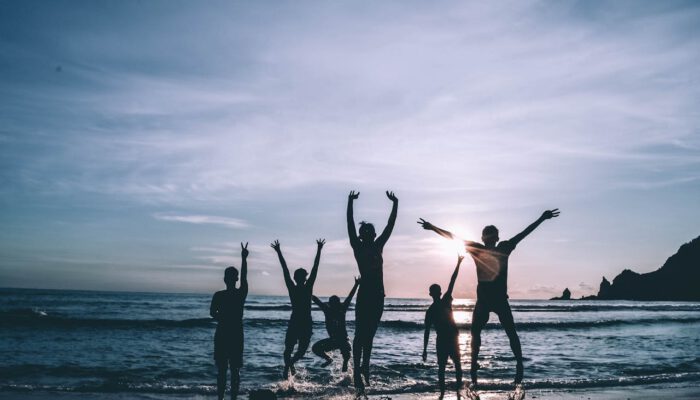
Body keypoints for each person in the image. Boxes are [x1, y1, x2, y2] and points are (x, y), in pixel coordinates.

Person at [418, 209, 560, 389]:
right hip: (484, 302)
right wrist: (432, 228)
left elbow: (524, 233)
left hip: (499, 300)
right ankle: (475, 368)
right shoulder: (483, 248)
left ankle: (517, 364)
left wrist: (541, 218)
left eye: (491, 235)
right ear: (486, 238)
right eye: (488, 235)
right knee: (476, 332)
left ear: (494, 238)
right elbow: (453, 236)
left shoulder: (502, 247)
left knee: (510, 332)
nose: (490, 238)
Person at [346, 190, 398, 388]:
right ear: (361, 236)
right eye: (364, 233)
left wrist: (395, 203)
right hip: (366, 294)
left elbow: (390, 225)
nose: (367, 235)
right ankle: (357, 371)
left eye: (370, 233)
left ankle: (364, 367)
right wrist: (350, 202)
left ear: (374, 235)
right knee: (360, 334)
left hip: (378, 296)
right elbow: (350, 225)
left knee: (370, 334)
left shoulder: (378, 246)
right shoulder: (358, 247)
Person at [271, 238, 324, 378]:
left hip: (299, 321)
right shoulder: (304, 288)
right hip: (302, 321)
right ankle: (289, 366)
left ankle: (289, 365)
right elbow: (315, 268)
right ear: (301, 278)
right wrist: (319, 250)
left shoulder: (297, 288)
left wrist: (278, 251)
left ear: (296, 278)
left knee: (293, 351)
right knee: (296, 350)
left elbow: (285, 269)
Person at [210, 242, 249, 400]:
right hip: (233, 334)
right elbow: (245, 277)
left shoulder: (222, 295)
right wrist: (244, 258)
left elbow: (212, 313)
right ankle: (230, 397)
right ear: (234, 279)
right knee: (233, 370)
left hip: (225, 333)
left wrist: (243, 258)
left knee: (225, 369)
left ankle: (223, 397)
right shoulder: (238, 294)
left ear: (225, 279)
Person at [423, 255, 464, 395]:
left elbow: (453, 281)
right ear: (436, 293)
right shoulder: (438, 305)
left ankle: (447, 392)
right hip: (448, 339)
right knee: (452, 366)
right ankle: (454, 391)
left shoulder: (436, 307)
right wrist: (424, 349)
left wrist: (458, 263)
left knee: (447, 367)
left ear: (432, 293)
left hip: (448, 339)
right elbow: (427, 331)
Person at [311, 277, 361, 371]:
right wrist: (307, 291)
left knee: (346, 356)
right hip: (333, 340)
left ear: (337, 303)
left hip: (343, 340)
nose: (333, 305)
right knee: (315, 348)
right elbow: (316, 300)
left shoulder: (342, 309)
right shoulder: (327, 310)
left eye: (335, 303)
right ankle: (329, 359)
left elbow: (350, 296)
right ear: (330, 304)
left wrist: (356, 284)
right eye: (332, 303)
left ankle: (345, 364)